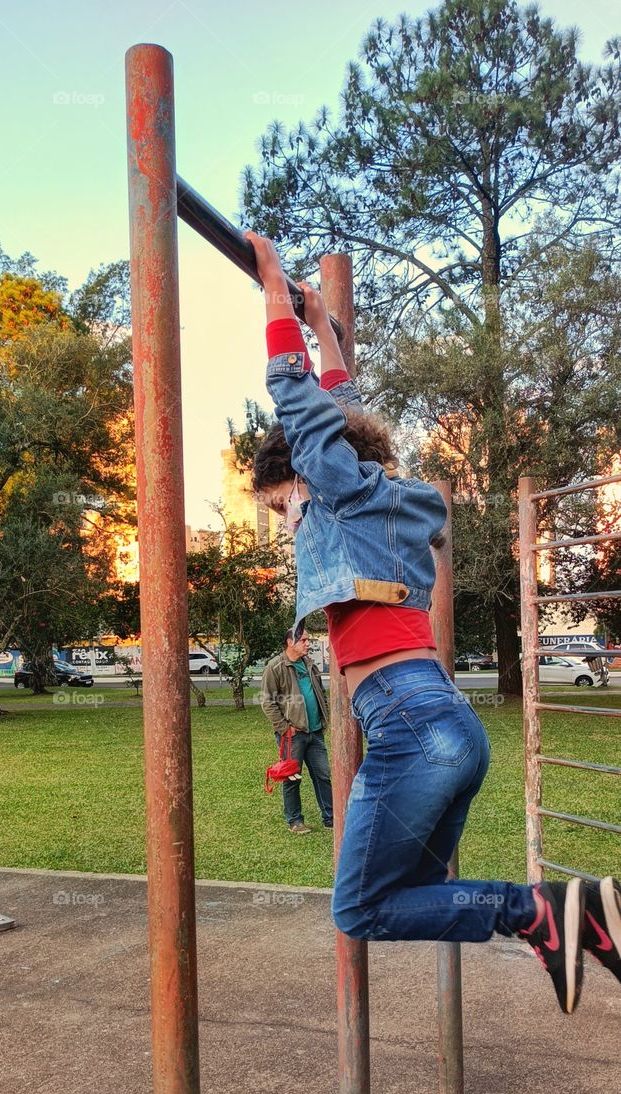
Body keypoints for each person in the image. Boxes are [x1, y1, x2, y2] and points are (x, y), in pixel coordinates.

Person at [244, 228, 621, 1016]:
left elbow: (300, 400)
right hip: (445, 726)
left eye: (282, 507)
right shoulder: (382, 505)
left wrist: (276, 286)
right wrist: (324, 328)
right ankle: (556, 922)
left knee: (361, 909)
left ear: (304, 478)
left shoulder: (339, 494)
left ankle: (540, 912)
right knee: (409, 892)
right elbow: (340, 411)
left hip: (413, 725)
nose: (285, 524)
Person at [261, 629, 333, 834]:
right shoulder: (275, 667)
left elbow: (321, 693)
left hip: (315, 732)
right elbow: (267, 702)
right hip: (293, 736)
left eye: (308, 640)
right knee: (291, 777)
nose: (308, 644)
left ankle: (331, 817)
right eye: (303, 640)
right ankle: (295, 821)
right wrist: (285, 728)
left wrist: (323, 717)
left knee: (323, 776)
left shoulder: (310, 665)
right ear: (289, 642)